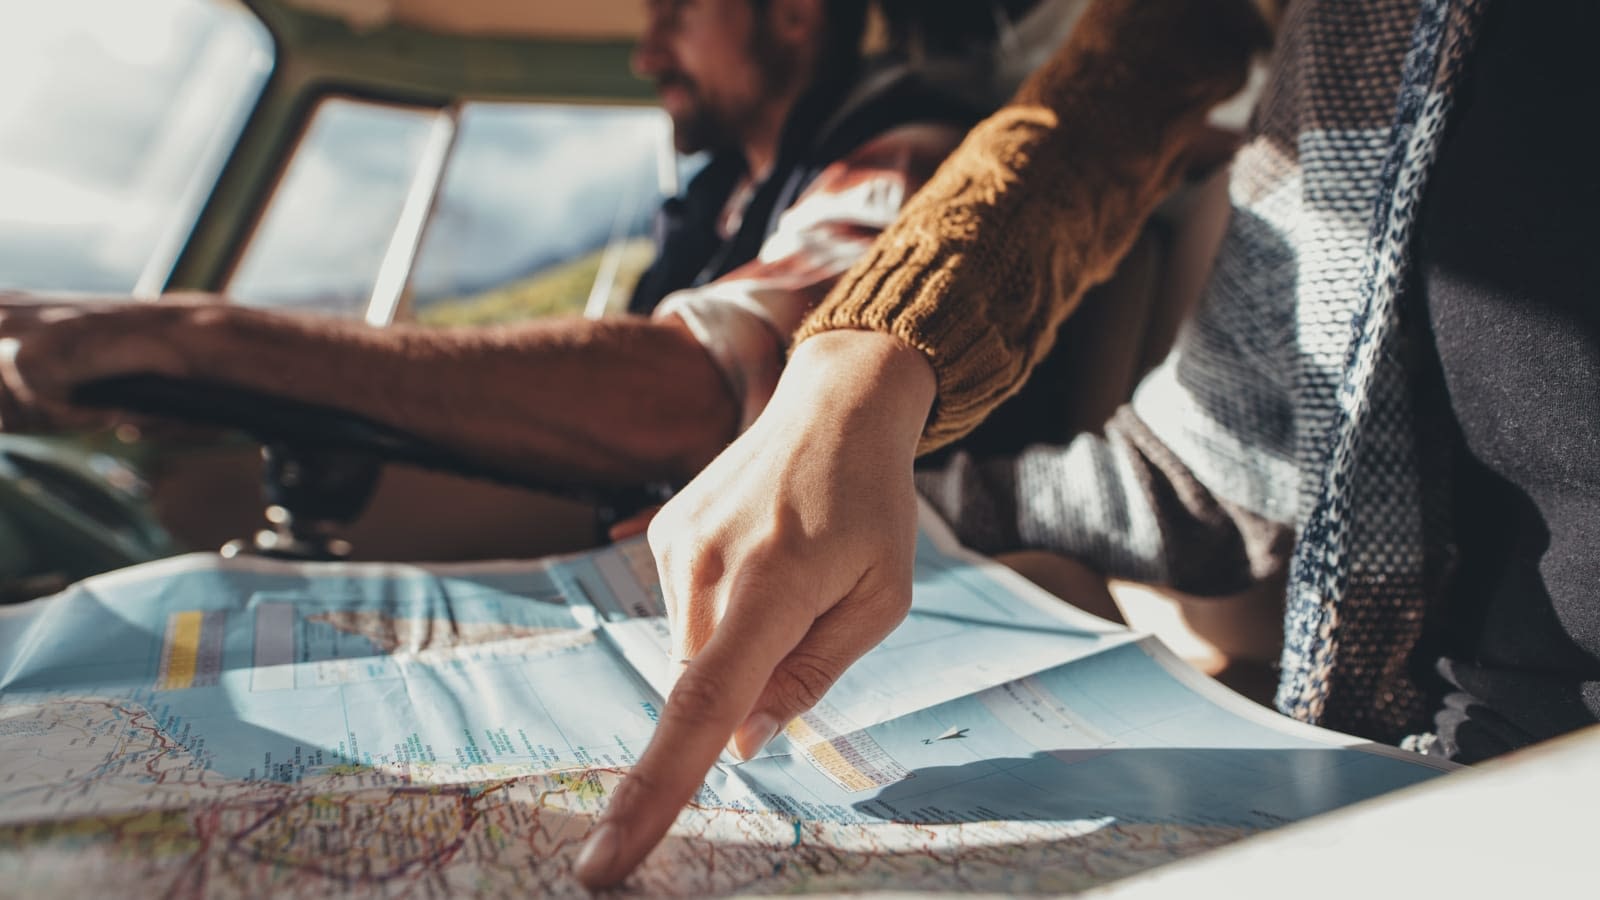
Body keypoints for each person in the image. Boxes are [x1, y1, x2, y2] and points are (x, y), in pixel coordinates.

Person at [573, 0, 1600, 888]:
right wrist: (865, 420)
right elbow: (1190, 485)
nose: (642, 51)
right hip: (1422, 783)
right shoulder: (1363, 43)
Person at [0, 0, 986, 495]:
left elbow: (700, 393)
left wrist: (218, 342)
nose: (647, 57)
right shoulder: (728, 201)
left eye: (676, 14)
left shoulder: (898, 165)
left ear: (795, 14)